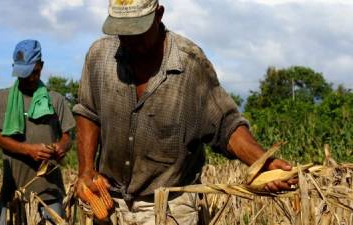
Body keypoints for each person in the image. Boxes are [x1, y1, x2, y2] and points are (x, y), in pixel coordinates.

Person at [73, 1, 296, 224]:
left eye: (137, 30)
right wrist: (86, 170)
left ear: (159, 14)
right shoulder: (99, 56)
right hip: (111, 203)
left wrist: (264, 163)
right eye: (122, 31)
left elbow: (226, 125)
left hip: (170, 206)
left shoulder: (190, 64)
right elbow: (87, 112)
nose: (130, 39)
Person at [0, 40, 75, 224]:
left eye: (32, 72)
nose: (27, 78)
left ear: (41, 66)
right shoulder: (1, 99)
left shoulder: (55, 100)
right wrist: (29, 150)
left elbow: (68, 136)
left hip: (49, 193)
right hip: (13, 191)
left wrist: (60, 147)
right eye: (22, 73)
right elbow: (0, 139)